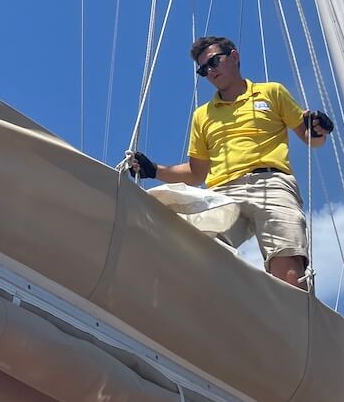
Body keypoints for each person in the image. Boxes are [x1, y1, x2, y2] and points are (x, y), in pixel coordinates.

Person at [128, 36, 332, 289]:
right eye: (203, 69)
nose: (210, 70)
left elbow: (311, 139)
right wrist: (154, 170)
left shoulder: (272, 92)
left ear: (234, 56)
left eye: (214, 61)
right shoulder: (202, 115)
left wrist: (317, 128)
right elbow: (195, 174)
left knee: (289, 272)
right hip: (223, 191)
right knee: (195, 256)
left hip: (272, 183)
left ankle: (297, 325)